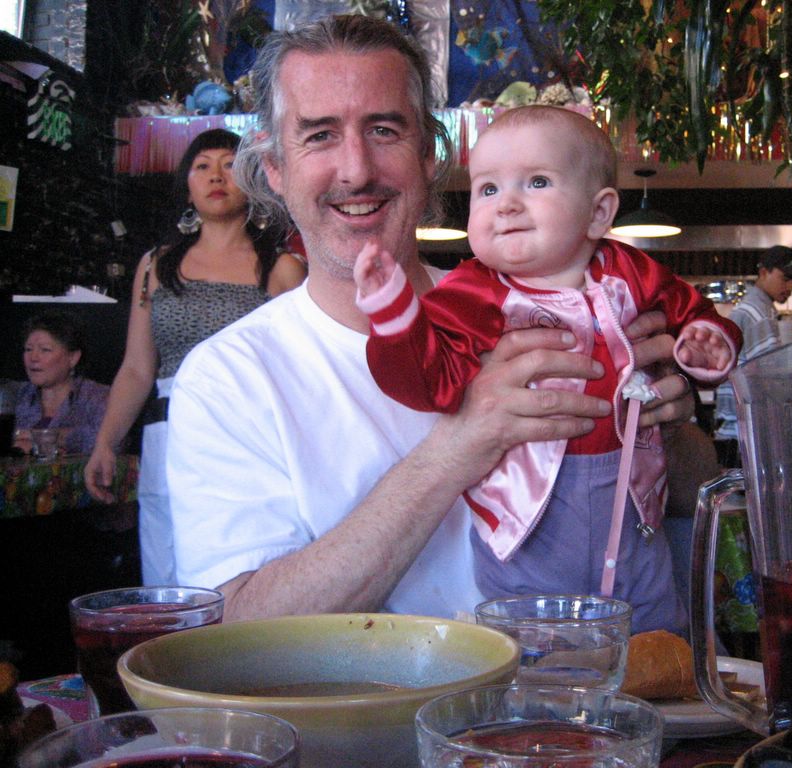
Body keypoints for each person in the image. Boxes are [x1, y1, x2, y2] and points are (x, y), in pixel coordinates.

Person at [164, 14, 695, 622]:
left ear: (428, 156)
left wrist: (662, 427)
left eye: (384, 130)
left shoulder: (556, 305)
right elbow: (234, 624)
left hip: (594, 675)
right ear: (275, 168)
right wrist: (455, 449)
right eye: (319, 135)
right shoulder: (229, 376)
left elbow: (690, 494)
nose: (357, 170)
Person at [352, 105, 741, 633]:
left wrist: (706, 342)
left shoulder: (631, 273)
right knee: (532, 636)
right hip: (529, 513)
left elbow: (692, 312)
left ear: (599, 213)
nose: (506, 204)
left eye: (536, 182)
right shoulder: (472, 294)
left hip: (635, 496)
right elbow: (426, 382)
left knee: (654, 625)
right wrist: (396, 314)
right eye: (488, 189)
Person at [84, 128, 306, 585]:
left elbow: (302, 372)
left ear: (253, 181)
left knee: (247, 568)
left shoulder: (283, 268)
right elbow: (137, 368)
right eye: (202, 166)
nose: (216, 176)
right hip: (168, 434)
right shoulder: (156, 265)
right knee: (168, 576)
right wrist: (107, 442)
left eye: (230, 165)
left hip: (249, 435)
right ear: (187, 186)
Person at [714, 245, 792, 467]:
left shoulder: (753, 308)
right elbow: (769, 377)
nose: (790, 286)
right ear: (763, 272)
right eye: (785, 278)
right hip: (743, 429)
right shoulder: (758, 314)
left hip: (733, 427)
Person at [12, 310, 109, 456]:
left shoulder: (98, 397)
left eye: (45, 350)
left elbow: (113, 441)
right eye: (28, 349)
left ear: (73, 357)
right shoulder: (16, 395)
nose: (33, 357)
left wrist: (39, 438)